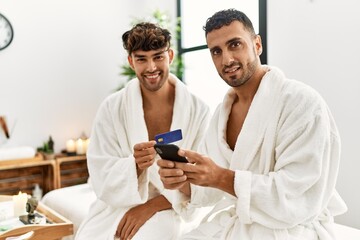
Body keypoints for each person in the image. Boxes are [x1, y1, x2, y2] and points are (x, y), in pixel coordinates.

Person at [157, 9, 347, 239]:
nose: (226, 60)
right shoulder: (222, 114)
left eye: (235, 44)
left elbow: (296, 195)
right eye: (216, 51)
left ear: (257, 44)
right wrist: (183, 181)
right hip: (241, 222)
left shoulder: (302, 102)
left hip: (290, 229)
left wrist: (220, 177)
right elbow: (209, 188)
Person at [75, 22, 210, 240]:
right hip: (121, 203)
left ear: (171, 56)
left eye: (158, 56)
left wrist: (150, 207)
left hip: (174, 205)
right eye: (141, 59)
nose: (151, 67)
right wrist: (135, 166)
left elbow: (203, 177)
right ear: (131, 61)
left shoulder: (198, 111)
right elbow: (100, 172)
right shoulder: (112, 108)